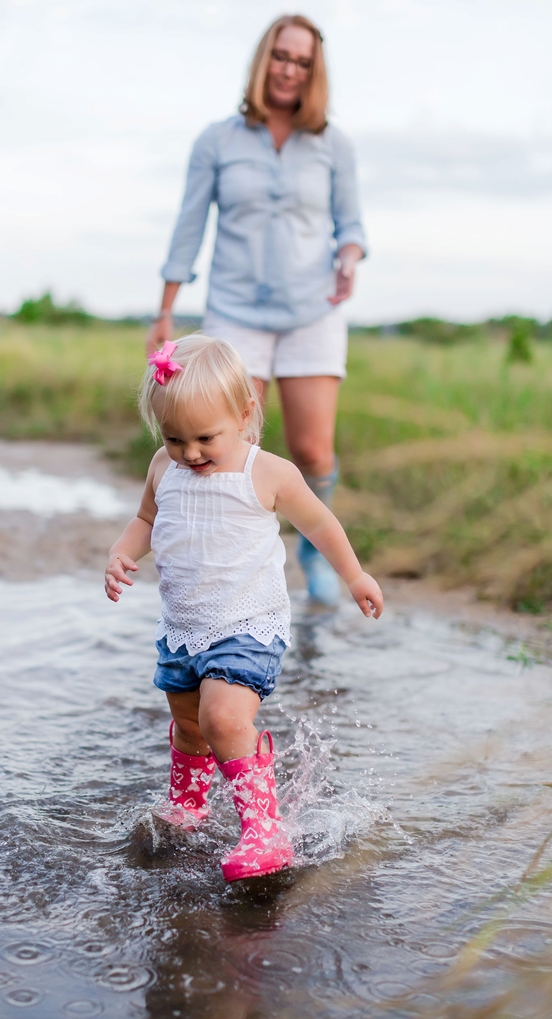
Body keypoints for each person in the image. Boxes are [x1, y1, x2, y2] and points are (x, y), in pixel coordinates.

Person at [104, 335, 383, 882]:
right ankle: (189, 804)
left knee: (224, 717)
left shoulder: (268, 472)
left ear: (245, 413)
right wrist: (120, 552)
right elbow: (145, 521)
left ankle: (264, 830)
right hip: (184, 626)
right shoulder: (165, 466)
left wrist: (354, 575)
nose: (191, 453)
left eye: (206, 437)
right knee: (190, 726)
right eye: (175, 437)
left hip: (248, 623)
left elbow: (320, 523)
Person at [147, 14, 367, 608]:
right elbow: (188, 227)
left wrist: (348, 258)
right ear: (263, 59)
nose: (289, 69)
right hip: (236, 311)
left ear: (313, 72)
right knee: (232, 446)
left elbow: (351, 226)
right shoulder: (217, 140)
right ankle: (229, 568)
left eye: (302, 61)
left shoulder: (333, 144)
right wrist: (166, 311)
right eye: (281, 56)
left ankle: (313, 548)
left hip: (311, 311)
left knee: (313, 449)